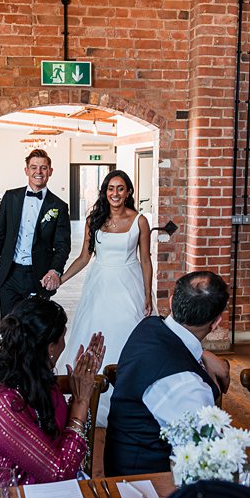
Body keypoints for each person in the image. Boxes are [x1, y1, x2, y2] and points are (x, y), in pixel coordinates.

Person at [0, 298, 105, 484]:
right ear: (50, 347)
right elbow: (59, 473)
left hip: (50, 493)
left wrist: (80, 385)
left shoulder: (37, 378)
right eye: (62, 338)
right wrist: (80, 401)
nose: (64, 345)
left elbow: (58, 432)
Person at [104, 271, 231, 477]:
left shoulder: (149, 326)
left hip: (120, 464)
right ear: (216, 322)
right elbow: (205, 460)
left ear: (171, 302)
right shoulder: (186, 384)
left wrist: (203, 354)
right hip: (148, 483)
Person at [54, 170, 152, 426]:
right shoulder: (94, 219)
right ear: (105, 192)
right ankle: (88, 391)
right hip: (99, 284)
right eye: (110, 188)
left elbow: (146, 260)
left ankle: (128, 394)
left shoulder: (140, 221)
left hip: (128, 284)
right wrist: (61, 279)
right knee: (94, 330)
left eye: (120, 188)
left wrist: (147, 293)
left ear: (128, 191)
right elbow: (85, 257)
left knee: (127, 333)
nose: (115, 193)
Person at [0, 149, 72, 318]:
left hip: (39, 276)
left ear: (50, 171)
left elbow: (63, 246)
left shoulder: (59, 206)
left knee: (36, 328)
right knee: (8, 327)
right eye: (33, 167)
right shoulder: (11, 197)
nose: (38, 172)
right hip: (9, 274)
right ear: (26, 170)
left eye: (43, 168)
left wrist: (55, 271)